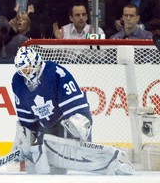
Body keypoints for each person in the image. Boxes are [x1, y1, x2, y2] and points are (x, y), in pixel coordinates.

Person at [11, 46, 135, 175]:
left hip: (65, 119)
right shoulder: (17, 81)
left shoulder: (55, 72)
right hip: (46, 124)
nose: (25, 72)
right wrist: (24, 138)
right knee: (39, 168)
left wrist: (79, 124)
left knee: (76, 128)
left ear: (35, 62)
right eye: (22, 69)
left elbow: (77, 105)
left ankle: (117, 161)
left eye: (27, 67)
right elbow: (26, 118)